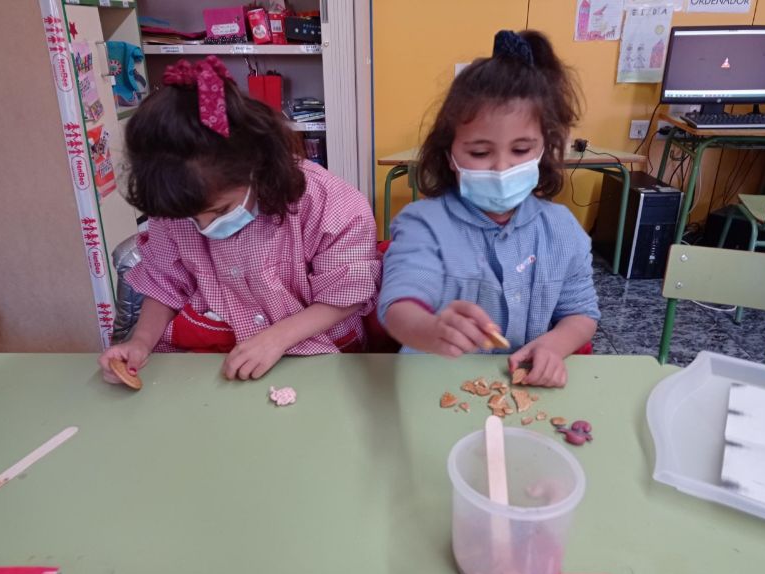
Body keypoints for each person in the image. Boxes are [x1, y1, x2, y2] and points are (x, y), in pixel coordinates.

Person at [98, 56, 380, 383]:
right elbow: (164, 285)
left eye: (220, 211)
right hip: (216, 347)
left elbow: (347, 293)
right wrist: (140, 342)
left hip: (317, 349)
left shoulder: (329, 202)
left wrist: (276, 339)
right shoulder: (175, 202)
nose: (205, 228)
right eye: (191, 218)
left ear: (255, 165)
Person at [378, 30, 599, 388]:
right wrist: (430, 329)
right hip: (433, 387)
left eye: (521, 150)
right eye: (480, 153)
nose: (501, 167)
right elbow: (399, 306)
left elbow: (581, 313)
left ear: (544, 149)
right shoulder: (424, 225)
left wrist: (554, 345)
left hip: (524, 390)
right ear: (449, 155)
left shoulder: (562, 229)